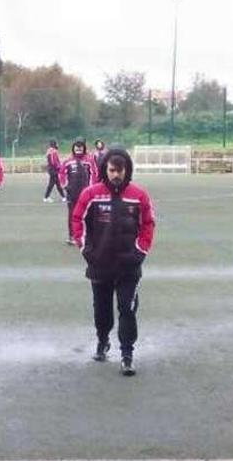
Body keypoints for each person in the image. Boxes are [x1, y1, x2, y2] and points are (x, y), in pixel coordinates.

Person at [71, 148, 155, 376]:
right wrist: (86, 249)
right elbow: (78, 220)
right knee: (102, 309)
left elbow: (148, 224)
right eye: (112, 170)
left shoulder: (139, 195)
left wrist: (140, 251)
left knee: (127, 309)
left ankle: (127, 354)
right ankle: (102, 340)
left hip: (129, 265)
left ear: (127, 170)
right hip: (100, 264)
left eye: (121, 170)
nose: (116, 174)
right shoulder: (91, 194)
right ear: (105, 169)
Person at [58, 138, 97, 245]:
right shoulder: (68, 161)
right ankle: (72, 237)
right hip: (72, 193)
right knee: (72, 215)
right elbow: (61, 174)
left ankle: (88, 236)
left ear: (84, 148)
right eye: (76, 147)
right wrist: (65, 186)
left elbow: (94, 174)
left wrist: (91, 188)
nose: (78, 149)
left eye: (80, 147)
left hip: (86, 193)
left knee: (88, 214)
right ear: (73, 148)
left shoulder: (89, 161)